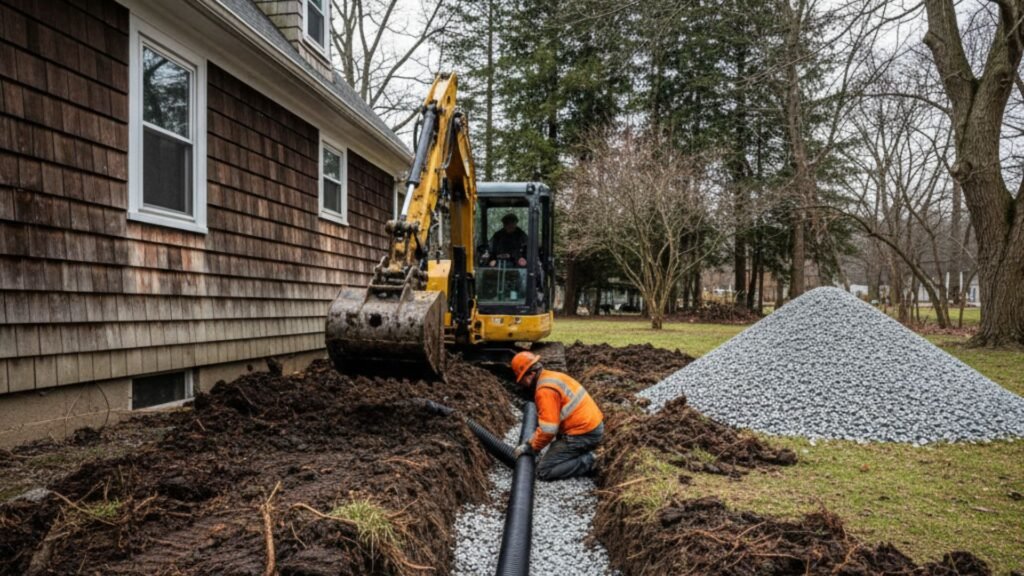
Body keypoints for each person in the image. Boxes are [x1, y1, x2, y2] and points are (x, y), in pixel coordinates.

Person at [510, 351, 604, 481]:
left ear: (531, 374)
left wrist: (530, 446)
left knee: (544, 471)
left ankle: (591, 460)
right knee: (555, 447)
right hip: (591, 425)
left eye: (522, 379)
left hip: (583, 433)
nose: (521, 384)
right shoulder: (552, 376)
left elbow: (549, 430)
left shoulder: (544, 391)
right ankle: (580, 453)